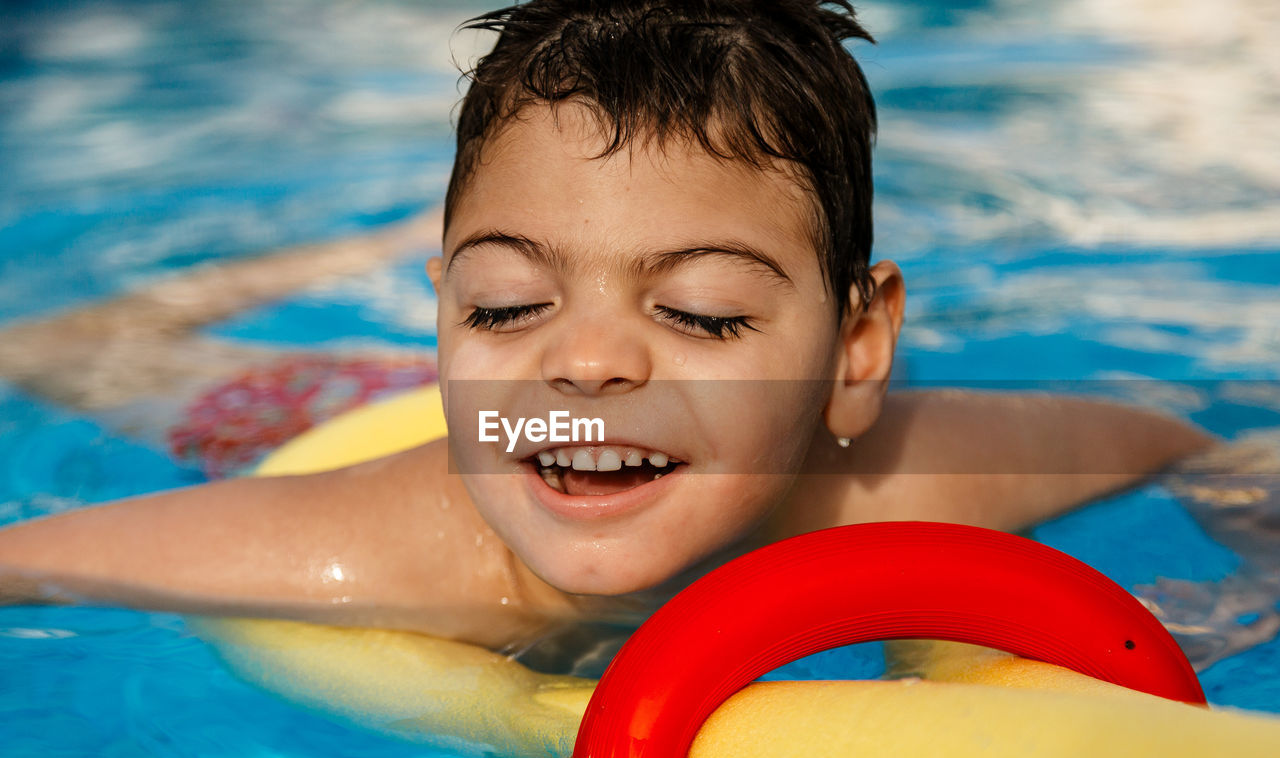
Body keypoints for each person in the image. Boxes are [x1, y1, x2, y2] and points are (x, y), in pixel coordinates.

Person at [0, 0, 1220, 662]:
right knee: (62, 357)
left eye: (699, 312)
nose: (583, 360)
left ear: (855, 353)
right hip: (338, 423)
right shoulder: (350, 552)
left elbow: (1197, 447)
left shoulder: (908, 480)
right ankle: (331, 260)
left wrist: (1227, 610)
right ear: (444, 313)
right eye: (502, 304)